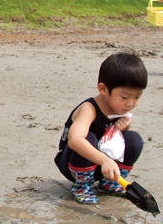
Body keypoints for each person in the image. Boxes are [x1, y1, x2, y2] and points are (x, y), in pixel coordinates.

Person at [54, 52, 147, 204]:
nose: (130, 103)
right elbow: (75, 140)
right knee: (87, 138)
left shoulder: (120, 109)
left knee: (134, 139)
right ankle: (82, 186)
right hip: (73, 164)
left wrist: (122, 131)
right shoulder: (89, 109)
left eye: (137, 97)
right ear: (103, 89)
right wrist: (105, 160)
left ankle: (111, 182)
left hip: (103, 166)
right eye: (124, 97)